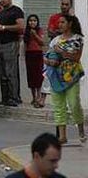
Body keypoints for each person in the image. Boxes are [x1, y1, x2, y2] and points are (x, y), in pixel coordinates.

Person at [44, 15, 86, 144]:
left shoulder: (77, 39)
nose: (60, 25)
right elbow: (46, 56)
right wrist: (49, 62)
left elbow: (76, 58)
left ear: (70, 23)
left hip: (71, 76)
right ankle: (62, 136)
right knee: (58, 106)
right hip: (56, 76)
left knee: (74, 104)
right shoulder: (55, 40)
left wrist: (61, 52)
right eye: (59, 22)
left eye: (63, 22)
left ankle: (81, 130)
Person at [0, 0, 25, 107]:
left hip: (10, 43)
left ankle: (14, 97)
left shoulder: (16, 11)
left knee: (11, 72)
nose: (2, 0)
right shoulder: (1, 12)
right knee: (2, 73)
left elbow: (21, 26)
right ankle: (5, 98)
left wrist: (5, 27)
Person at [24, 14, 44, 107]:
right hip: (29, 54)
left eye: (34, 20)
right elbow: (25, 44)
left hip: (38, 53)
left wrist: (35, 34)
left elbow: (42, 42)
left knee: (38, 75)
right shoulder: (26, 31)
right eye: (30, 21)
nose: (32, 22)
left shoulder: (39, 30)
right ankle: (34, 97)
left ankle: (39, 97)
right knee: (31, 75)